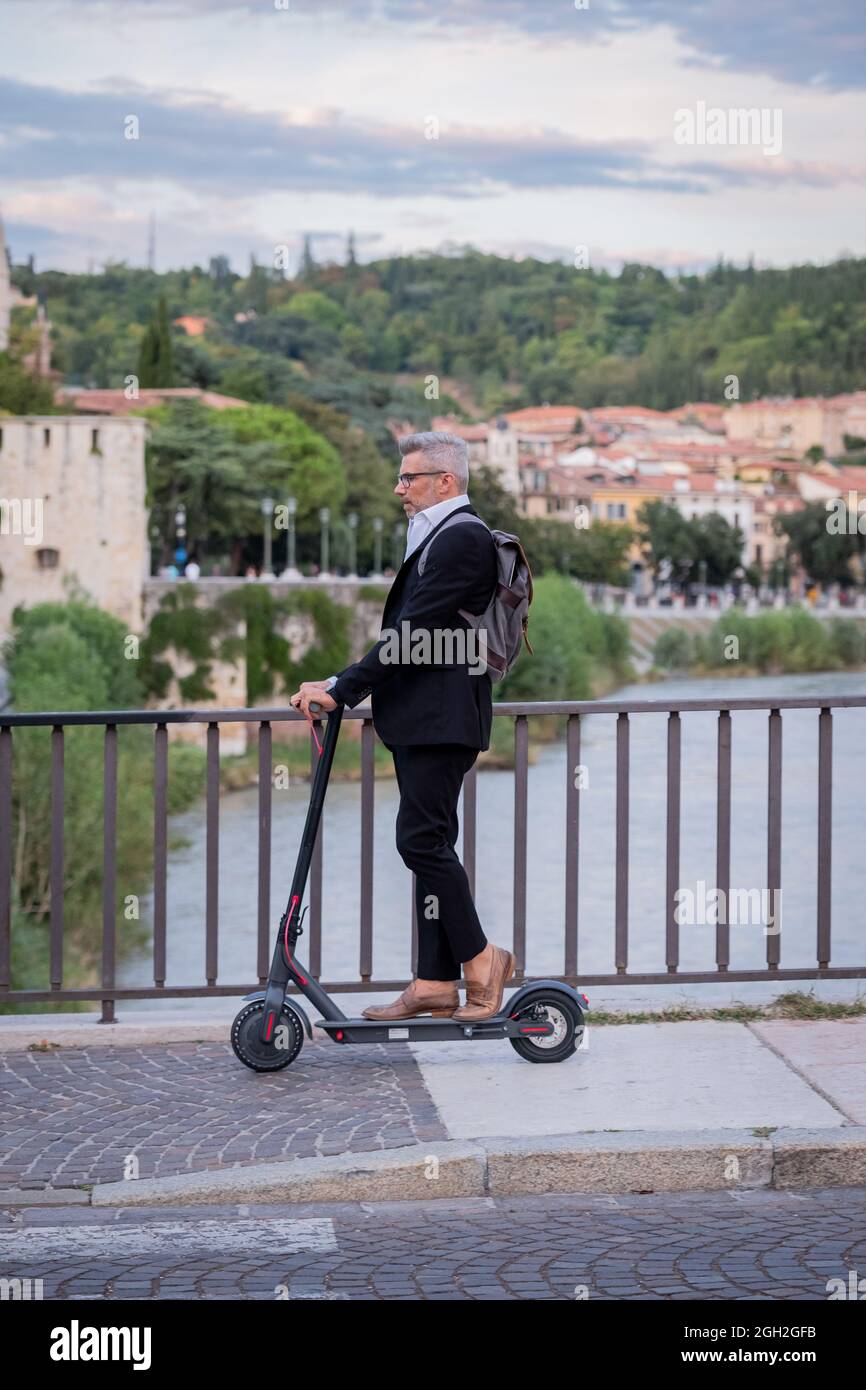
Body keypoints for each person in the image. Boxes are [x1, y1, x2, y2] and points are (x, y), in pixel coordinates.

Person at [290, 431, 516, 1022]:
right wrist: (341, 683)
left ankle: (483, 959)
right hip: (428, 718)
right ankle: (434, 983)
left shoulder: (462, 537)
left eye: (408, 478)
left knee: (420, 843)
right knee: (431, 845)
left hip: (441, 719)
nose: (399, 489)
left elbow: (411, 634)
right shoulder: (441, 534)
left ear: (446, 482)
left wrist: (341, 688)